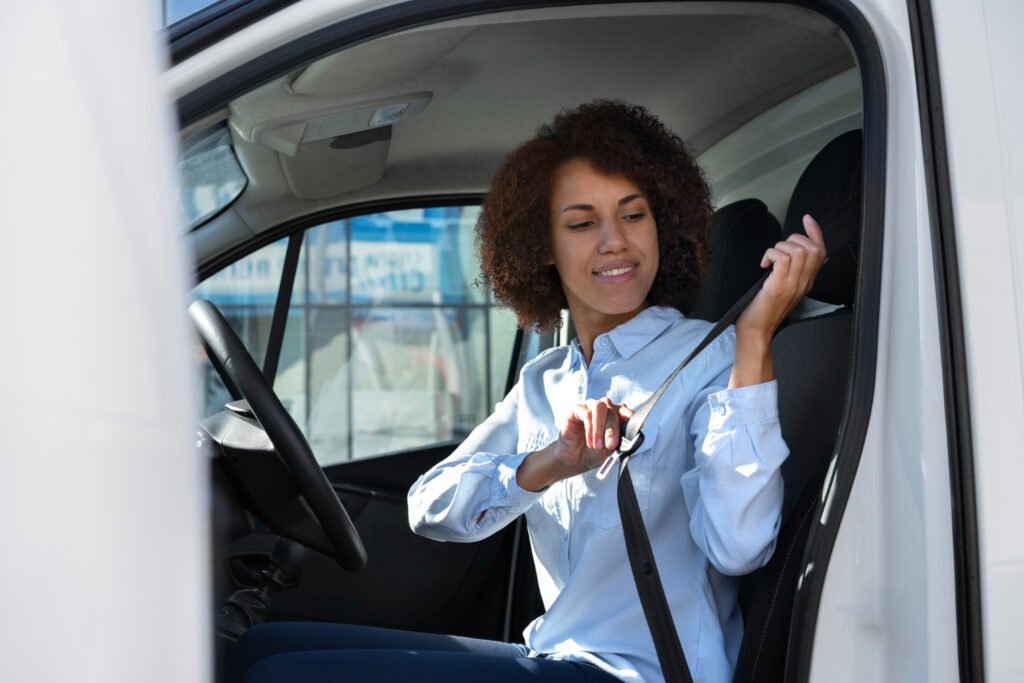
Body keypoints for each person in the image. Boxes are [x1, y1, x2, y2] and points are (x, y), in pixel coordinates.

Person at [228, 100, 825, 683]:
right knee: (260, 646)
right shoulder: (547, 378)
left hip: (641, 674)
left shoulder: (715, 357)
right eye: (583, 222)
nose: (615, 241)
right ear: (541, 247)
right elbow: (429, 509)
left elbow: (739, 548)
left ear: (662, 223)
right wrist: (548, 463)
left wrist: (753, 340)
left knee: (281, 676)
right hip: (556, 654)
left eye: (634, 214)